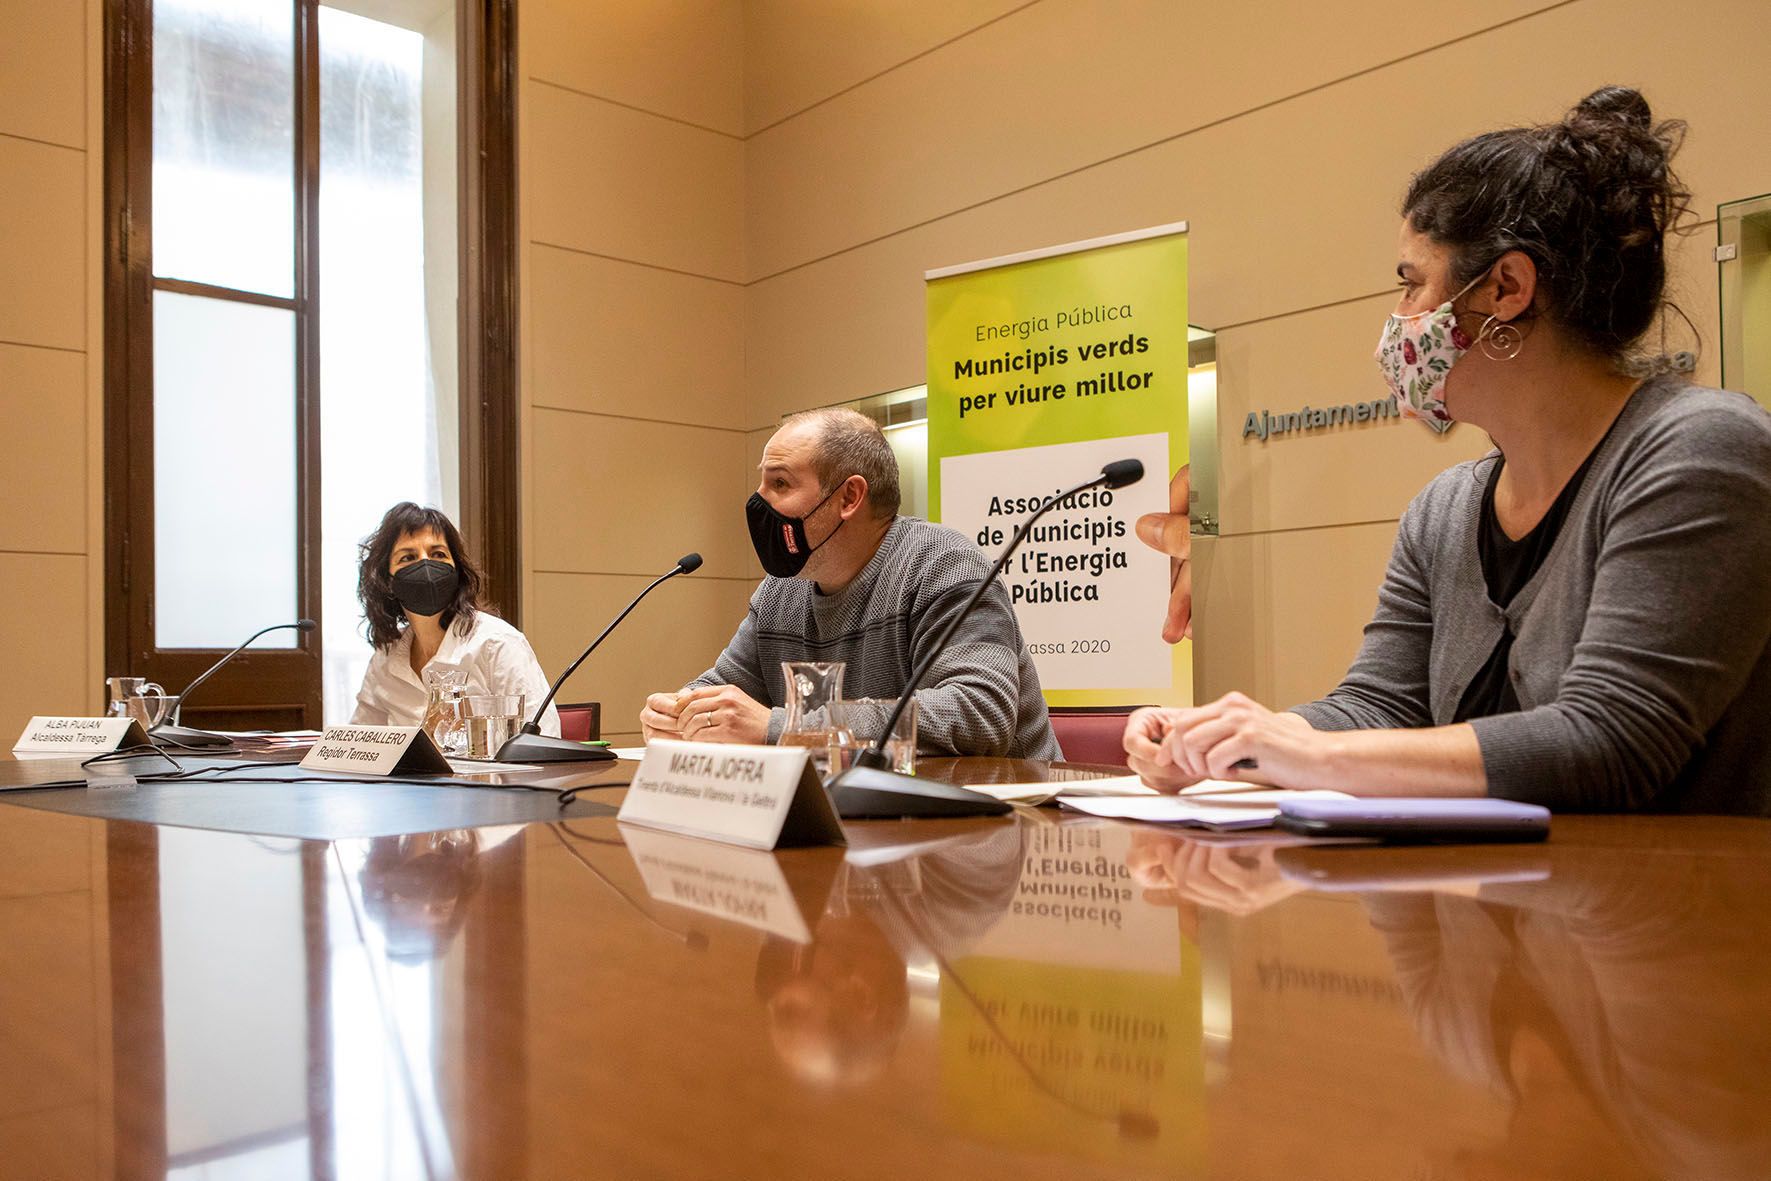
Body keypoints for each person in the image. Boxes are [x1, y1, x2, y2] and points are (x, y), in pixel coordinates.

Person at [1126, 86, 1771, 814]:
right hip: (1497, 917)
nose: (1397, 320)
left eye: (1411, 285)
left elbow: (1611, 740)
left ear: (1506, 288)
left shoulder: (1701, 450)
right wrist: (1225, 740)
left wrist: (1303, 751)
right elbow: (1379, 704)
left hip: (1672, 920)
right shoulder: (1443, 510)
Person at [640, 408, 1061, 759]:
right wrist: (680, 712)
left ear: (848, 498)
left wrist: (781, 726)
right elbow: (725, 686)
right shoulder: (780, 591)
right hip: (867, 823)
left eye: (780, 483)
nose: (758, 502)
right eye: (762, 482)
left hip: (1003, 831)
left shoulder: (943, 564)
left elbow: (978, 717)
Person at [351, 502, 560, 737]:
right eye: (408, 557)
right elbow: (360, 743)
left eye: (438, 554)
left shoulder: (498, 643)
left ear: (457, 570)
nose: (425, 565)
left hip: (488, 775)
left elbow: (543, 740)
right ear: (387, 580)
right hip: (407, 775)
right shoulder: (385, 657)